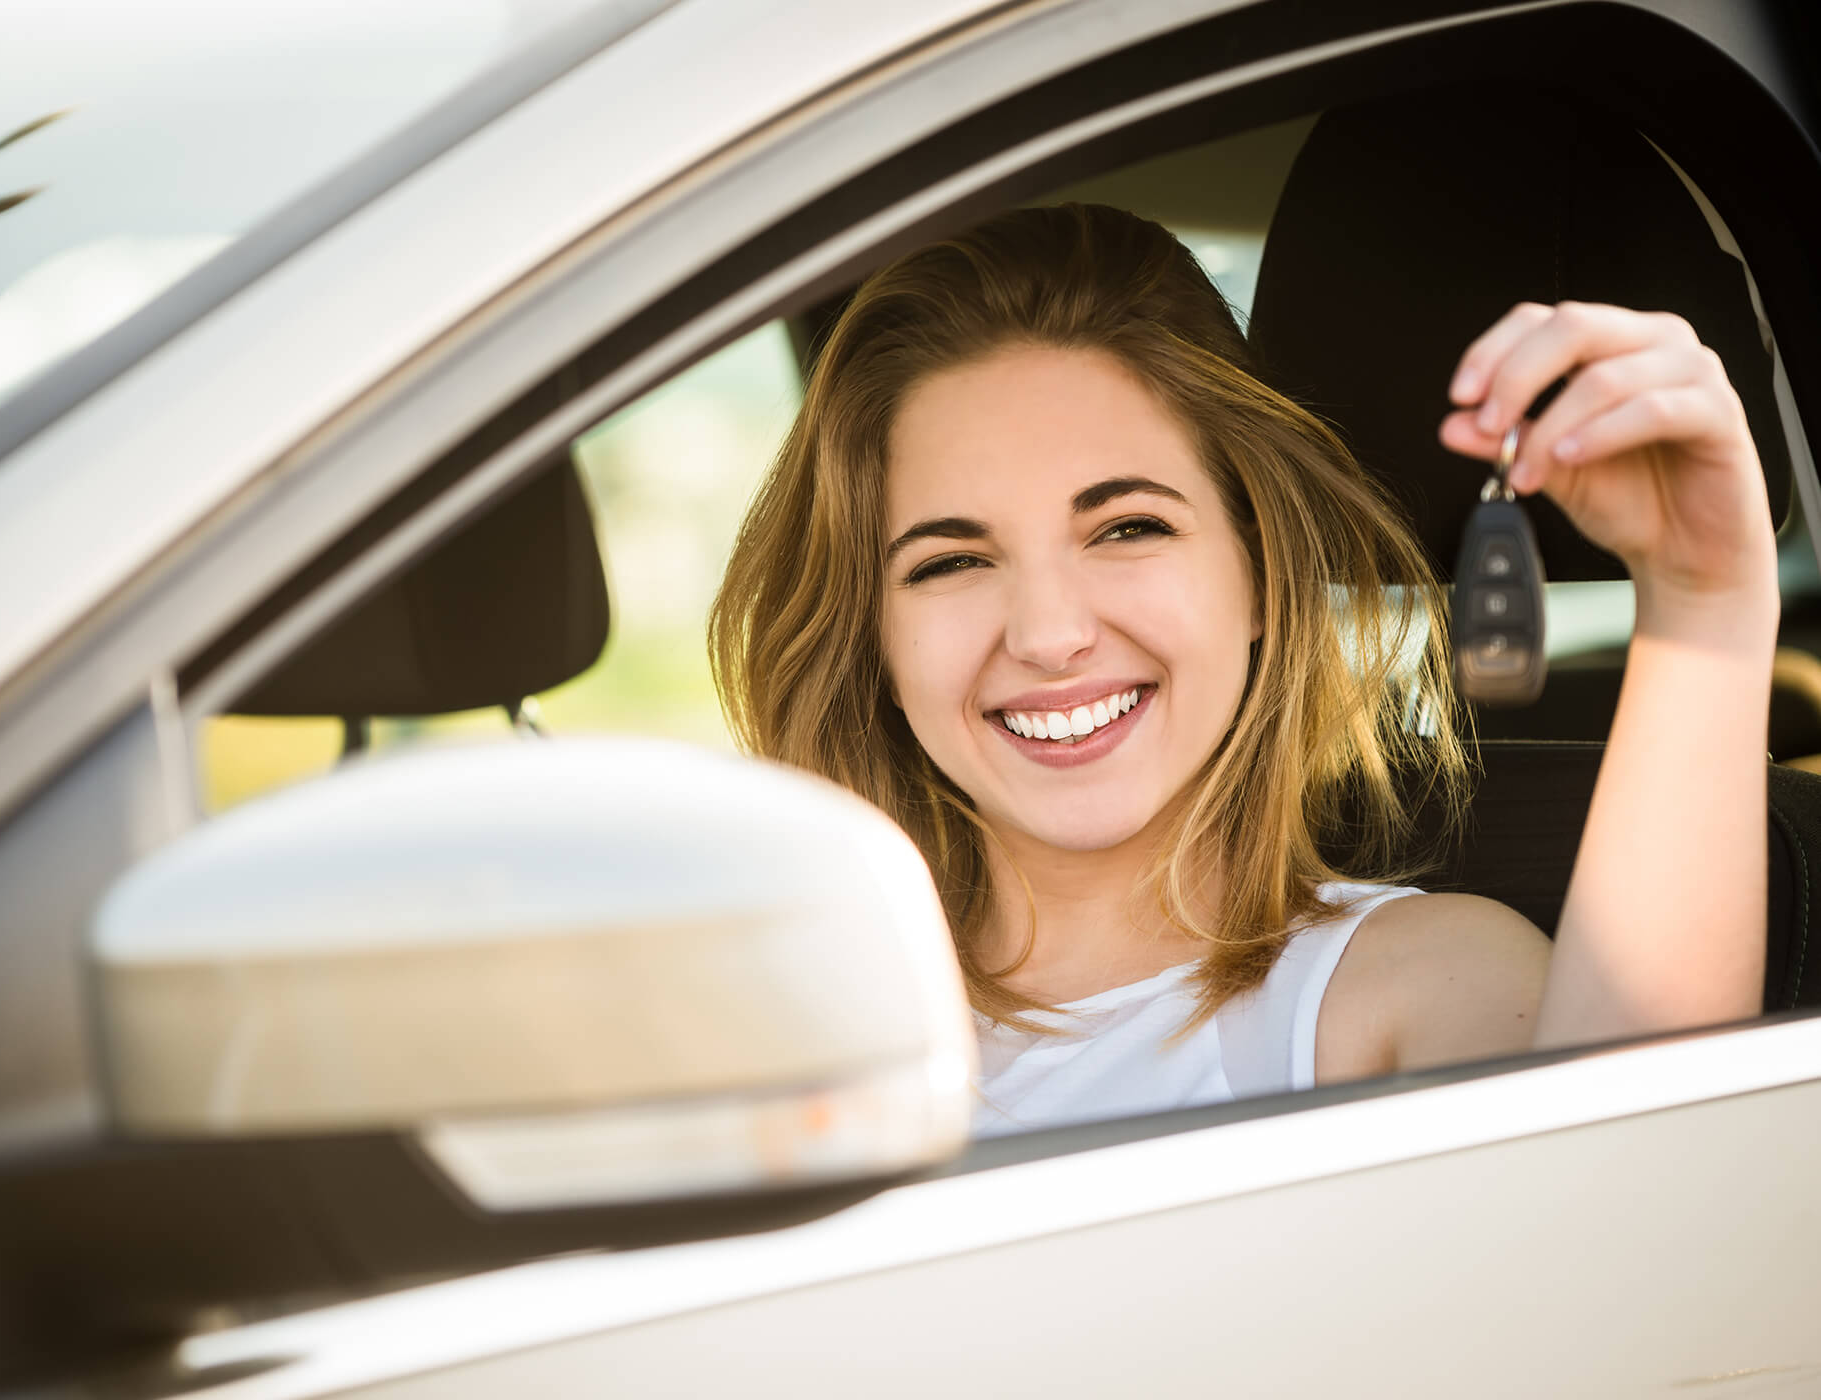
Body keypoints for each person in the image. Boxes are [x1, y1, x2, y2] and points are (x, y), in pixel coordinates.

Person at [708, 203, 1778, 1136]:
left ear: (1261, 572)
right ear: (873, 635)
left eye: (1128, 527)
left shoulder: (1401, 992)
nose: (1046, 632)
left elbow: (1630, 1216)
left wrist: (1706, 604)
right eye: (951, 560)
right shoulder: (750, 1020)